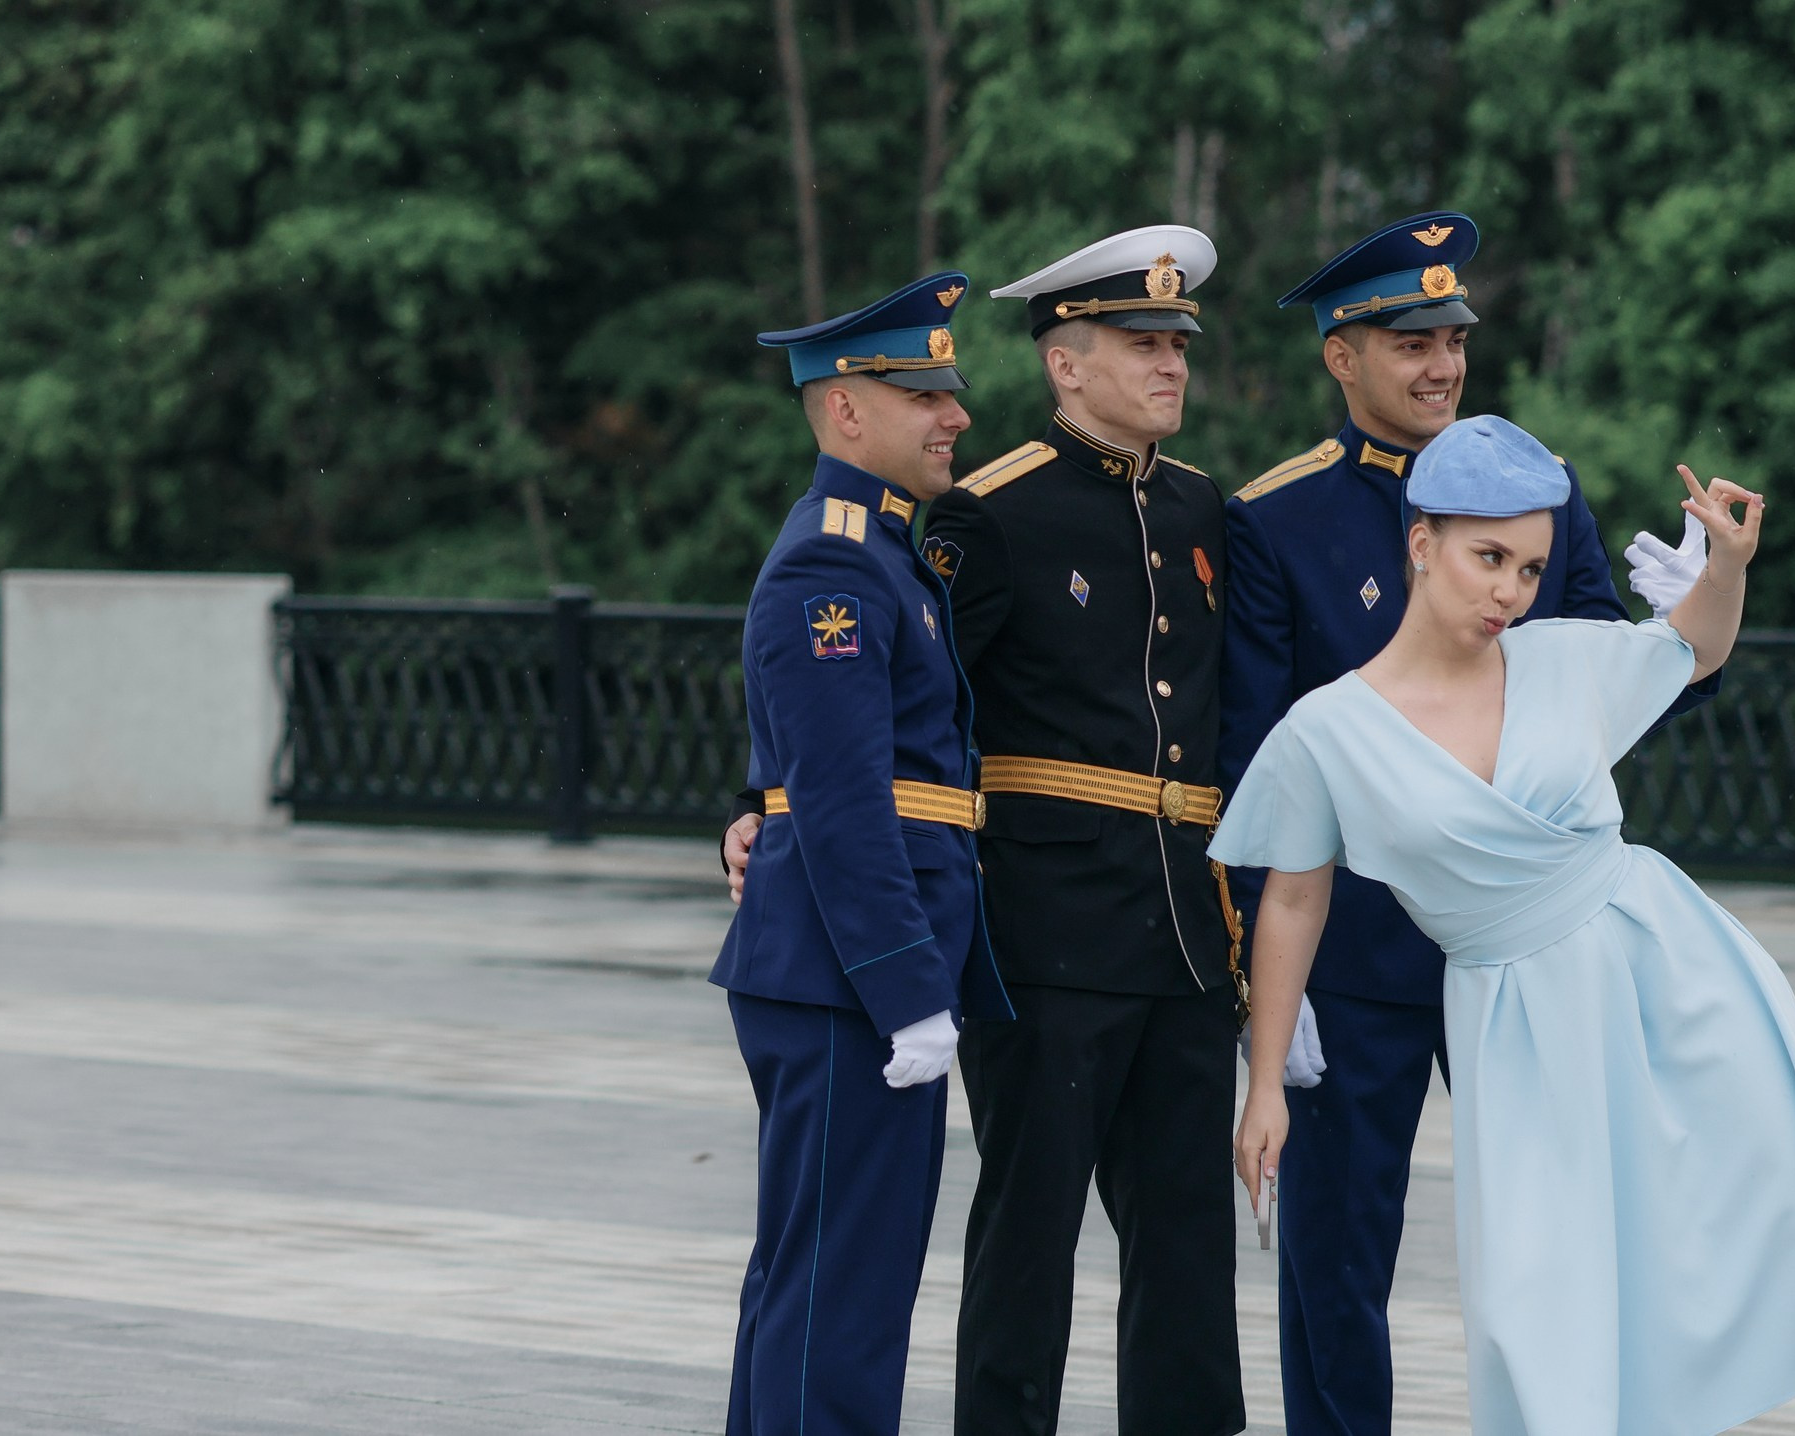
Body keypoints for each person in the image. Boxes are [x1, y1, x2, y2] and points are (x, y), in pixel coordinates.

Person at [1215, 416, 1795, 1436]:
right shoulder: (1325, 732)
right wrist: (1264, 1081)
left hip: (1670, 972)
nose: (1509, 591)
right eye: (1487, 558)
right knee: (1538, 1305)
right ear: (1420, 542)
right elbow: (1294, 896)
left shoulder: (1561, 658)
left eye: (1527, 565)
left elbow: (1692, 650)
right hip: (1513, 1021)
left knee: (1791, 1216)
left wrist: (1726, 568)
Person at [1214, 210, 1720, 1436]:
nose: (1441, 362)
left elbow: (1602, 689)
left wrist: (1691, 621)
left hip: (1525, 945)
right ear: (1341, 356)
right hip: (1364, 953)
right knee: (1339, 1256)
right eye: (1409, 340)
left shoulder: (1536, 489)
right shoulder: (1276, 520)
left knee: (1570, 1232)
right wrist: (1268, 1003)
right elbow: (1258, 766)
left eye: (1453, 335)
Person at [923, 226, 1247, 1436]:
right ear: (1066, 361)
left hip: (1179, 937)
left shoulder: (1205, 508)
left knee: (1185, 1255)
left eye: (1176, 343)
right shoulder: (987, 512)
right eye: (1142, 342)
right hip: (1045, 937)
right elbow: (910, 698)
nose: (1171, 365)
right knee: (1028, 1241)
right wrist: (762, 801)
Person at [713, 272, 1011, 1436]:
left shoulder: (883, 553)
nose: (957, 415)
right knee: (838, 1293)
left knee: (829, 1279)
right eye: (927, 391)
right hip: (848, 983)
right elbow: (839, 803)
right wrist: (904, 987)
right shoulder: (833, 564)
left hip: (851, 977)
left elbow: (801, 773)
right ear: (847, 409)